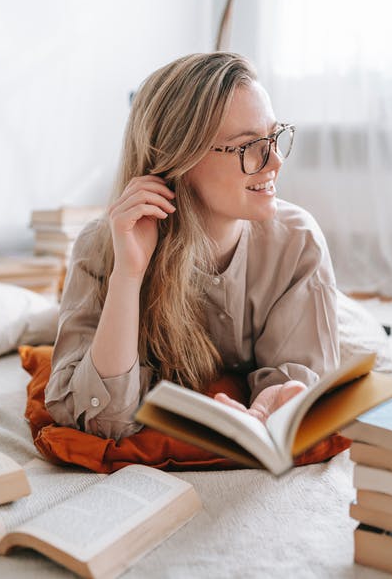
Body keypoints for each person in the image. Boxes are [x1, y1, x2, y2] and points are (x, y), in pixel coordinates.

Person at [45, 52, 340, 441]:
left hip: (318, 302)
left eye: (274, 135)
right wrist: (128, 277)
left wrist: (276, 401)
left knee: (365, 341)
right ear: (177, 159)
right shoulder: (100, 247)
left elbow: (302, 382)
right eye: (248, 146)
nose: (276, 161)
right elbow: (101, 419)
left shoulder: (298, 243)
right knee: (43, 326)